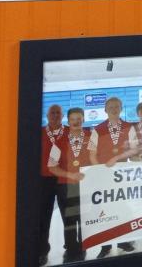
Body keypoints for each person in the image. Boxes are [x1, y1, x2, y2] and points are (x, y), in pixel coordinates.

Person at [90, 97, 139, 257]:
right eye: (110, 107)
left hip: (120, 176)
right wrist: (100, 171)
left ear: (121, 108)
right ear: (105, 110)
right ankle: (105, 245)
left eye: (117, 106)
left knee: (121, 208)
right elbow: (92, 154)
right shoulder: (97, 129)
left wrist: (117, 159)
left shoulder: (129, 127)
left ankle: (123, 241)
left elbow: (134, 149)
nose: (114, 109)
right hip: (103, 176)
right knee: (104, 211)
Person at [47, 107, 96, 263]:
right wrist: (70, 174)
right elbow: (52, 166)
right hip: (66, 186)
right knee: (69, 219)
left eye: (79, 118)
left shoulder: (91, 137)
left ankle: (83, 246)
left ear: (83, 120)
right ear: (68, 121)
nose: (76, 122)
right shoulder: (59, 141)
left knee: (84, 218)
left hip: (86, 185)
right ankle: (70, 248)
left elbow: (96, 160)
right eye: (73, 119)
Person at [38, 105, 66, 266]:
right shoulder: (39, 133)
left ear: (62, 116)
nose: (55, 115)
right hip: (44, 180)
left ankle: (73, 246)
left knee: (68, 215)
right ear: (47, 116)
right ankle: (42, 251)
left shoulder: (69, 132)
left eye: (58, 113)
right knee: (44, 217)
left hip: (64, 179)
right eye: (52, 113)